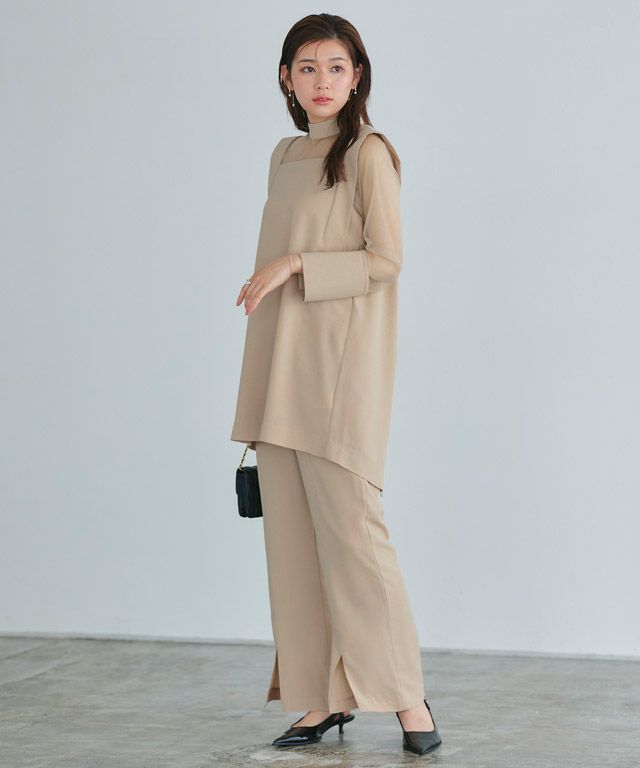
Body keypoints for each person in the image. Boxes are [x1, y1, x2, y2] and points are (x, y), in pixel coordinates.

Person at [230, 13, 442, 756]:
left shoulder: (368, 153)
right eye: (307, 67)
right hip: (278, 363)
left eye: (336, 67)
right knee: (293, 545)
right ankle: (321, 699)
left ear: (358, 77)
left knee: (355, 540)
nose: (322, 81)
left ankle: (408, 698)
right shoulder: (286, 155)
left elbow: (385, 260)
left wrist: (296, 263)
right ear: (286, 79)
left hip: (338, 370)